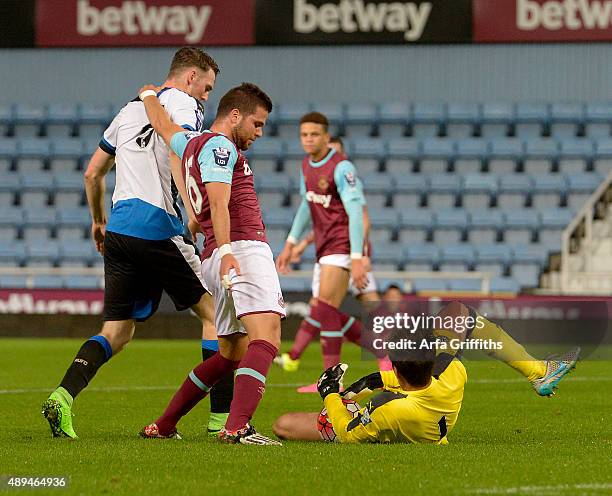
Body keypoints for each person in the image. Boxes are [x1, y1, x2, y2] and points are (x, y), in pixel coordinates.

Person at [41, 47, 233, 439]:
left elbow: (92, 173)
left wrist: (98, 221)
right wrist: (195, 213)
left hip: (119, 231)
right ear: (190, 77)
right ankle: (218, 422)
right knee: (217, 316)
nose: (206, 98)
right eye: (207, 88)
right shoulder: (185, 105)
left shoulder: (127, 111)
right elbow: (183, 154)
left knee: (118, 331)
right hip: (158, 225)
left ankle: (63, 395)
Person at [136, 81, 285, 445]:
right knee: (266, 337)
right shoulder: (220, 147)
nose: (259, 133)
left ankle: (165, 423)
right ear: (234, 115)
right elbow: (218, 203)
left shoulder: (190, 142)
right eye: (257, 123)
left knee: (230, 353)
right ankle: (237, 428)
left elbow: (163, 126)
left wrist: (148, 97)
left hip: (215, 255)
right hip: (242, 251)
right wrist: (230, 249)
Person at [272, 301, 580, 443]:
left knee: (283, 424)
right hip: (430, 413)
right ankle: (537, 371)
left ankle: (538, 371)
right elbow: (458, 322)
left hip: (386, 425)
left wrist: (332, 397)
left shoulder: (385, 410)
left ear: (395, 365)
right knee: (459, 312)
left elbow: (347, 432)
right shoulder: (452, 372)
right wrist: (364, 384)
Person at [276, 113, 388, 393]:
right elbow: (307, 205)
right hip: (323, 247)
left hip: (341, 244)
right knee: (326, 311)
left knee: (324, 309)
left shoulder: (341, 167)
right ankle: (383, 355)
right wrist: (291, 242)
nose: (309, 139)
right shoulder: (306, 165)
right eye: (304, 135)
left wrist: (358, 257)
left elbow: (355, 211)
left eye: (314, 134)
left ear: (327, 136)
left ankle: (331, 381)